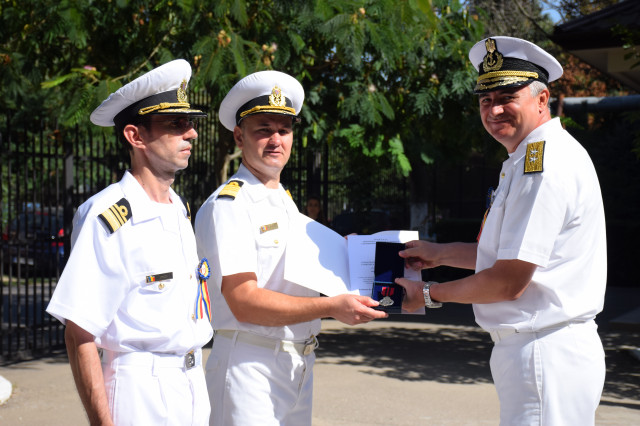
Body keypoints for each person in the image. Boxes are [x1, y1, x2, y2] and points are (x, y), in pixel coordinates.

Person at [395, 36, 607, 425]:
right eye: (486, 100)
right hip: (540, 350)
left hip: (545, 349)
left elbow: (509, 281)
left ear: (542, 99)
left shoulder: (541, 165)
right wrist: (438, 254)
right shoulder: (528, 159)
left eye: (508, 97)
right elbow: (508, 255)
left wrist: (427, 294)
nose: (494, 109)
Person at [194, 70, 388, 426]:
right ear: (239, 136)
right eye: (263, 129)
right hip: (250, 364)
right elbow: (243, 300)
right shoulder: (230, 205)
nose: (276, 140)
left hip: (297, 363)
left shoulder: (282, 200)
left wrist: (347, 257)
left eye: (284, 130)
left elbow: (296, 273)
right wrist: (332, 307)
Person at [46, 59, 214, 425]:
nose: (191, 133)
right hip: (141, 390)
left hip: (191, 382)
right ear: (135, 136)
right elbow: (79, 332)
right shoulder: (108, 216)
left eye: (189, 123)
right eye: (175, 124)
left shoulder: (178, 208)